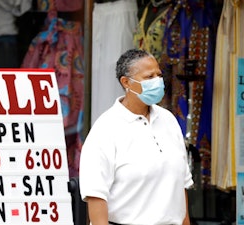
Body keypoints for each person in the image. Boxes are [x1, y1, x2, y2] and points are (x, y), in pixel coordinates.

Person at [79, 49, 193, 225]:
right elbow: (96, 197)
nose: (157, 81)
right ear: (126, 83)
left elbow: (180, 188)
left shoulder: (169, 120)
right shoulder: (106, 129)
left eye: (159, 75)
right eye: (149, 77)